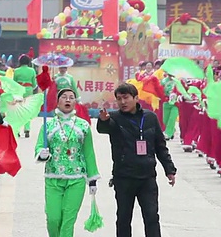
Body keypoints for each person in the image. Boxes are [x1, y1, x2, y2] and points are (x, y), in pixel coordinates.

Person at [96, 83, 177, 237]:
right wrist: (104, 121)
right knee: (123, 219)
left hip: (147, 178)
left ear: (135, 98)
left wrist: (169, 170)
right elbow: (104, 128)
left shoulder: (150, 118)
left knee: (152, 217)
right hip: (124, 177)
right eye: (119, 99)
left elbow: (160, 146)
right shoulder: (114, 118)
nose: (122, 102)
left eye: (126, 98)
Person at [35, 89, 99, 237]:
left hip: (76, 179)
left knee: (68, 221)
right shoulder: (48, 125)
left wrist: (92, 179)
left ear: (75, 102)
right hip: (53, 178)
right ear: (58, 102)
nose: (68, 100)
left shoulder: (83, 126)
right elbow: (39, 147)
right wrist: (42, 153)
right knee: (53, 218)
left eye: (71, 97)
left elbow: (88, 153)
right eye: (64, 97)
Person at [12, 54, 37, 138]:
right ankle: (27, 129)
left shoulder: (16, 71)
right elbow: (34, 84)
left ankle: (18, 130)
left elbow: (14, 83)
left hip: (19, 91)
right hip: (29, 90)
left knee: (18, 110)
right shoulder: (32, 70)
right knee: (27, 110)